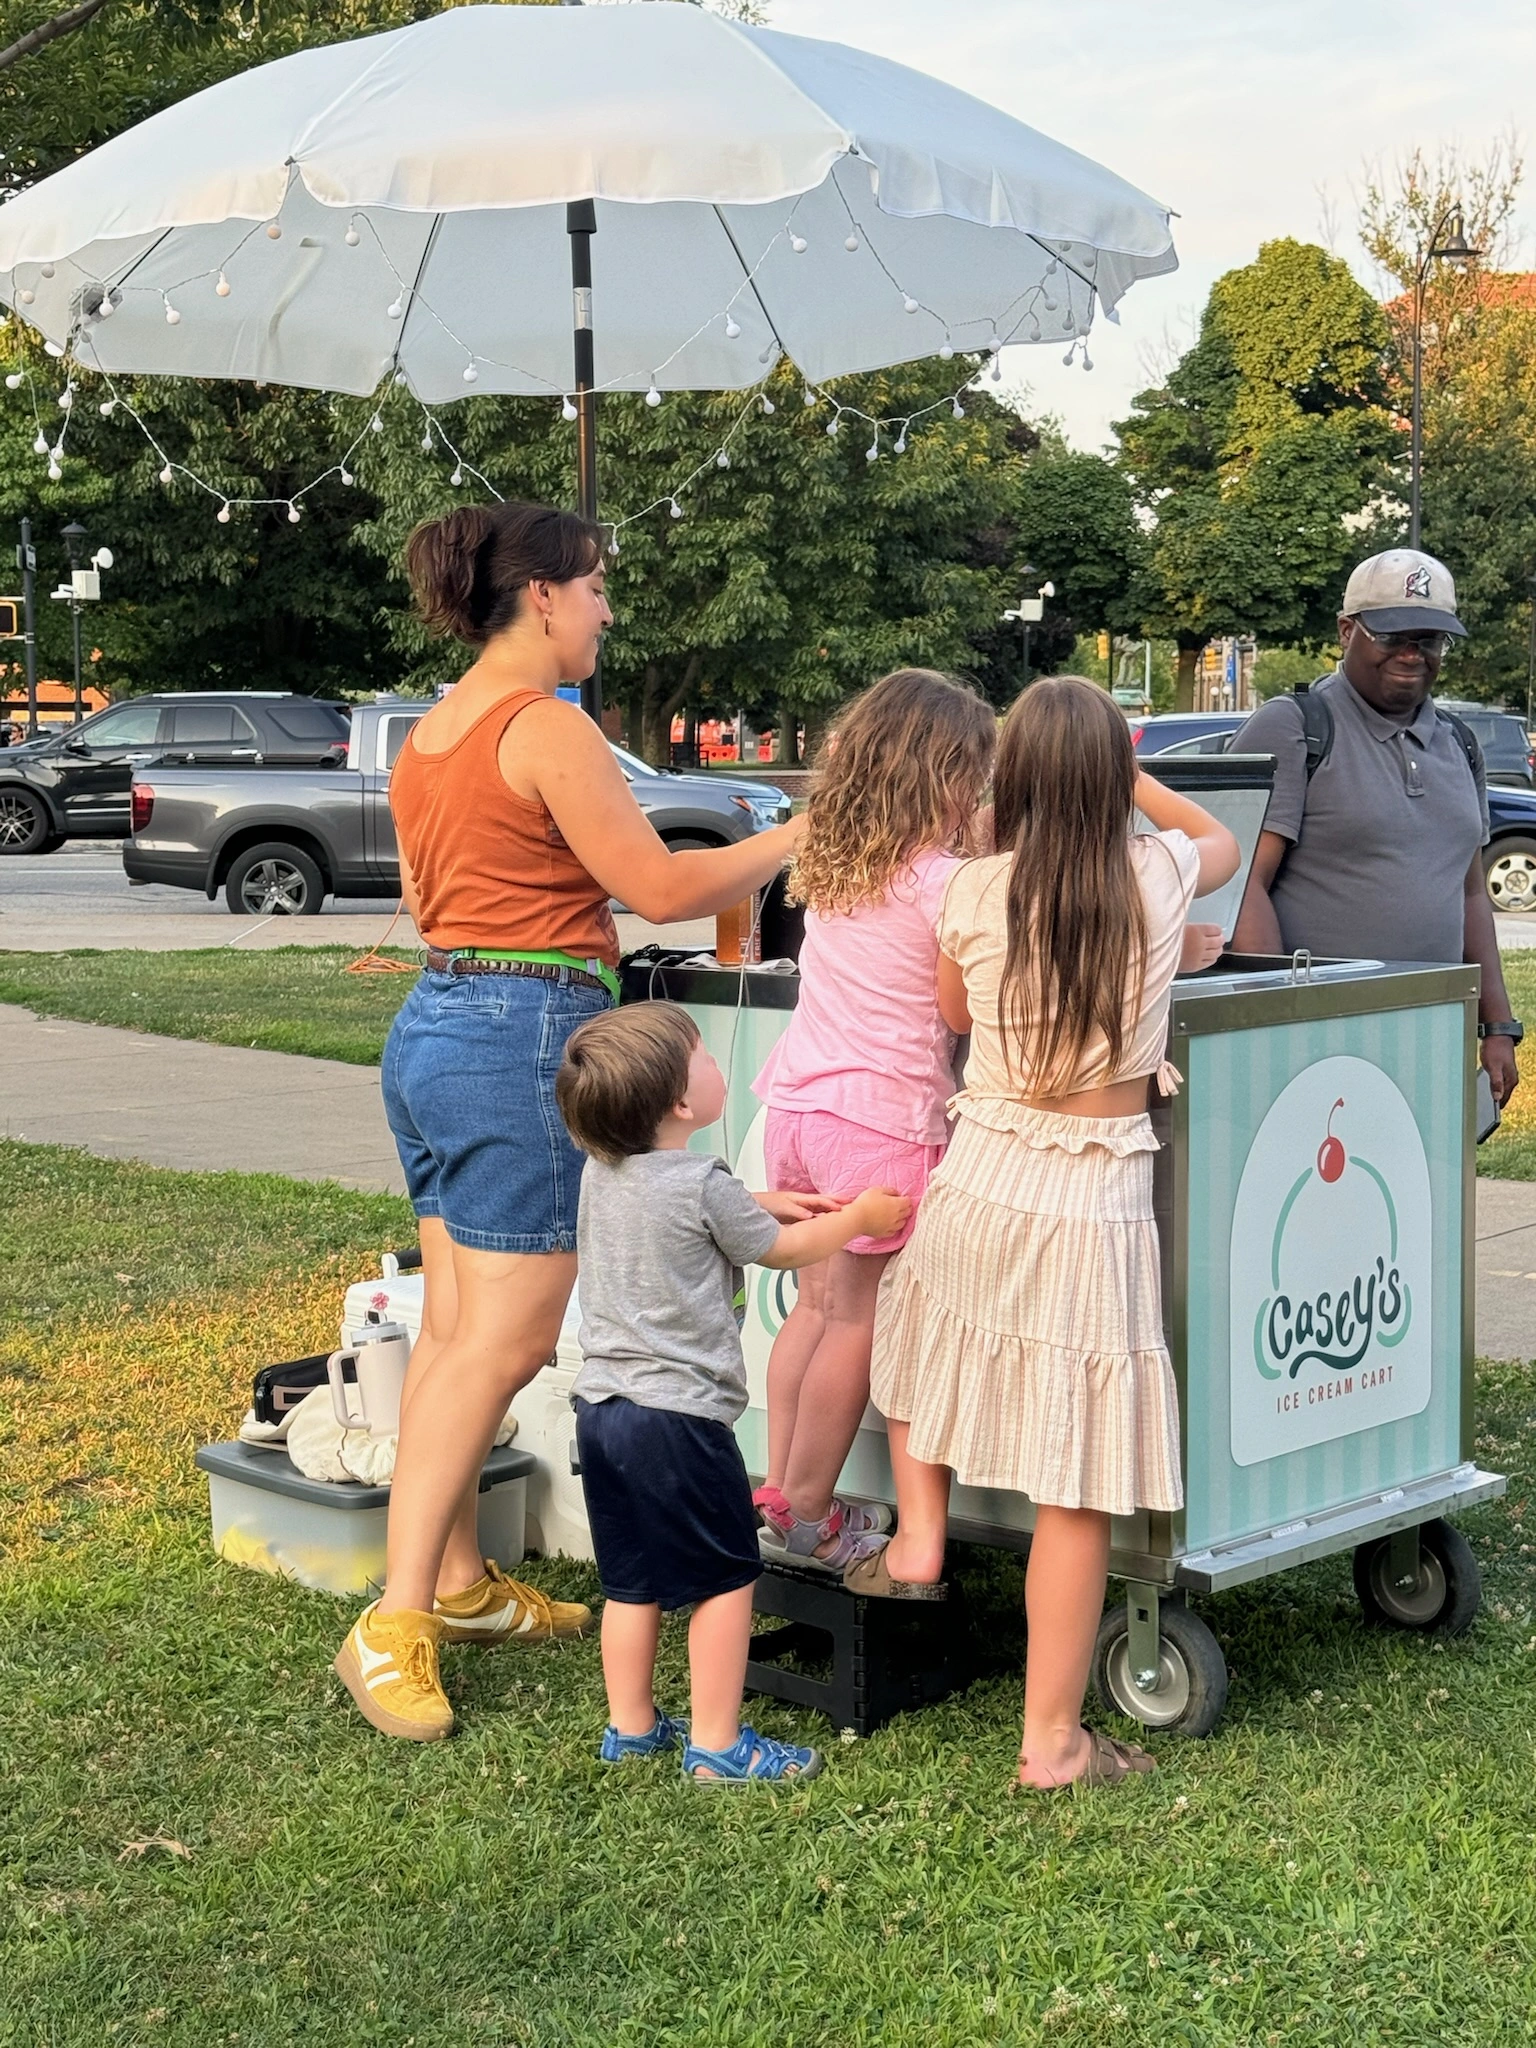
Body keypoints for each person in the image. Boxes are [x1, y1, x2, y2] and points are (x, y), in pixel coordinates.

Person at [334, 501, 805, 1743]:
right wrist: (796, 834)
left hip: (438, 1026)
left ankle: (453, 1584)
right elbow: (655, 884)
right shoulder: (546, 725)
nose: (606, 611)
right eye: (596, 589)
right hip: (526, 1029)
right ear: (541, 595)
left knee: (452, 1334)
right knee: (507, 1344)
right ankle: (394, 1621)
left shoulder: (436, 724)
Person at [862, 676, 1240, 1791]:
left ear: (1012, 775)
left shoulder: (976, 886)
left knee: (921, 1345)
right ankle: (1052, 1739)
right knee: (1073, 1480)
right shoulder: (1159, 873)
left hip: (986, 1165)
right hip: (1094, 1195)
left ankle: (919, 1537)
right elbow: (1212, 834)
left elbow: (954, 1014)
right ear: (1112, 777)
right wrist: (1137, 782)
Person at [555, 1002, 911, 1782]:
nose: (720, 1068)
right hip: (680, 1422)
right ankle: (718, 1746)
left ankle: (632, 1726)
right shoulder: (702, 1180)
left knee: (631, 1583)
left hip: (604, 1413)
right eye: (705, 1058)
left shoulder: (601, 1173)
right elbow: (782, 1251)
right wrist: (857, 1215)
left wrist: (757, 1201)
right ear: (683, 1104)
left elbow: (689, 1214)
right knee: (726, 1581)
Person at [749, 669, 997, 1573]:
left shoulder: (835, 864)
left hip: (800, 1108)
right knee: (857, 1319)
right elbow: (961, 1007)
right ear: (941, 777)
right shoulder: (945, 881)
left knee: (810, 1309)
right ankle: (811, 1514)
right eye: (971, 774)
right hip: (881, 1121)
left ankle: (777, 1487)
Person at [1232, 548, 1520, 1109]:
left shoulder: (1460, 743)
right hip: (1318, 1042)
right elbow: (1241, 884)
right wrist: (1280, 1024)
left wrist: (1498, 1024)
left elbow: (1468, 895)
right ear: (1347, 630)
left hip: (1430, 1034)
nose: (1412, 654)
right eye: (1393, 636)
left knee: (1420, 1193)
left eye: (1429, 640)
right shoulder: (1294, 728)